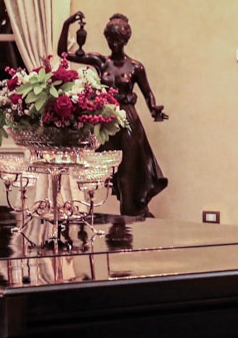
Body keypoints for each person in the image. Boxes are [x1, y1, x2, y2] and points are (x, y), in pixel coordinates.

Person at [57, 11, 169, 218]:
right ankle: (122, 221)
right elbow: (62, 53)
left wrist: (154, 109)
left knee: (128, 174)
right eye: (111, 38)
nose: (114, 42)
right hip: (105, 120)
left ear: (126, 39)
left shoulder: (135, 67)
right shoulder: (101, 62)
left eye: (118, 38)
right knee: (109, 173)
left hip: (127, 121)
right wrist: (66, 24)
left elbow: (148, 93)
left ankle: (128, 218)